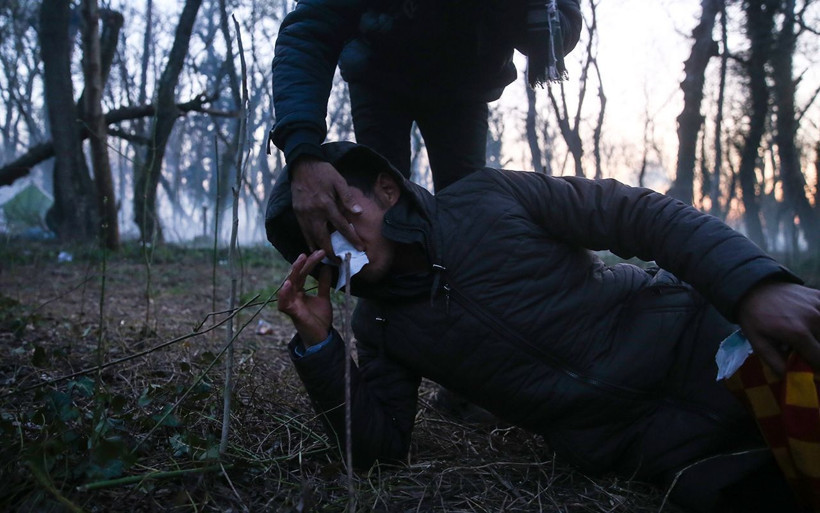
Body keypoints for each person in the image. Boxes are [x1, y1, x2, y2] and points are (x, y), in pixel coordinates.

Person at [265, 142, 820, 512]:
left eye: (341, 214)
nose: (336, 242)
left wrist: (754, 288)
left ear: (387, 190)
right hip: (665, 453)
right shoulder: (381, 326)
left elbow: (638, 216)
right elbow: (379, 452)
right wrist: (321, 345)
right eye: (317, 239)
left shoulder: (489, 199)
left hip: (708, 344)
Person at [268, 0, 583, 260]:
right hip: (377, 72)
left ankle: (463, 304)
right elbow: (309, 31)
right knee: (379, 210)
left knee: (468, 211)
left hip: (464, 85)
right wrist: (302, 152)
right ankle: (384, 316)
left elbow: (561, 24)